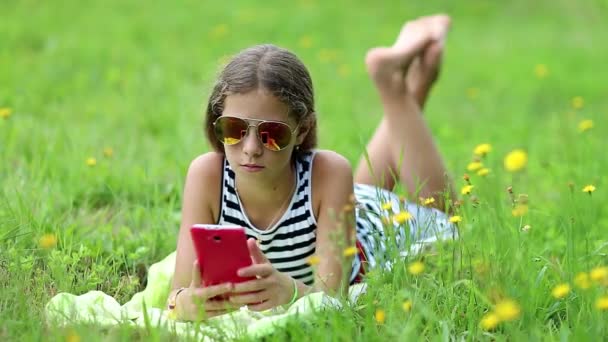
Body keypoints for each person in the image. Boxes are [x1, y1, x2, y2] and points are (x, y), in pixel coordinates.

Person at [168, 14, 456, 321]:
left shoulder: (329, 172)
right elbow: (176, 294)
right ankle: (412, 80)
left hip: (379, 230)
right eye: (233, 129)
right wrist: (184, 303)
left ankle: (394, 87)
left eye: (272, 134)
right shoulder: (207, 175)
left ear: (302, 131)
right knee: (358, 190)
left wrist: (289, 291)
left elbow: (332, 298)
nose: (251, 149)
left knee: (452, 217)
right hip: (341, 212)